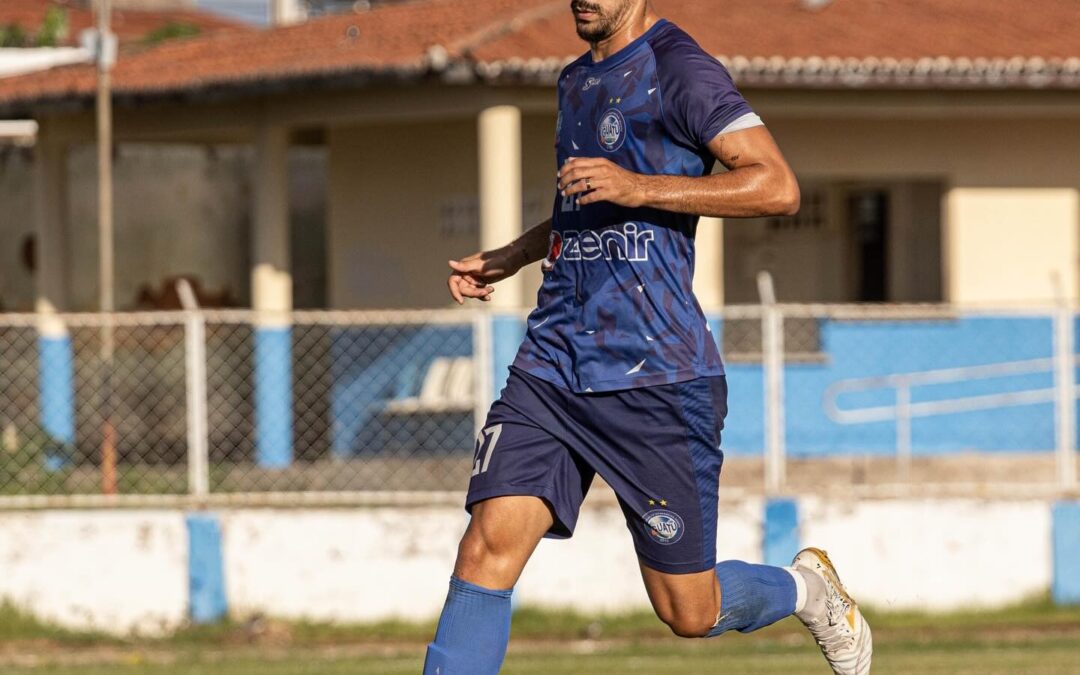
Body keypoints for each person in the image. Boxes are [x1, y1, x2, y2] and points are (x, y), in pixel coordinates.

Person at [424, 2, 872, 673]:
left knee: (689, 610)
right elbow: (579, 210)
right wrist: (511, 256)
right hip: (553, 365)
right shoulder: (575, 80)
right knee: (486, 548)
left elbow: (777, 187)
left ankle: (809, 591)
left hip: (656, 375)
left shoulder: (682, 71)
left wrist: (641, 187)